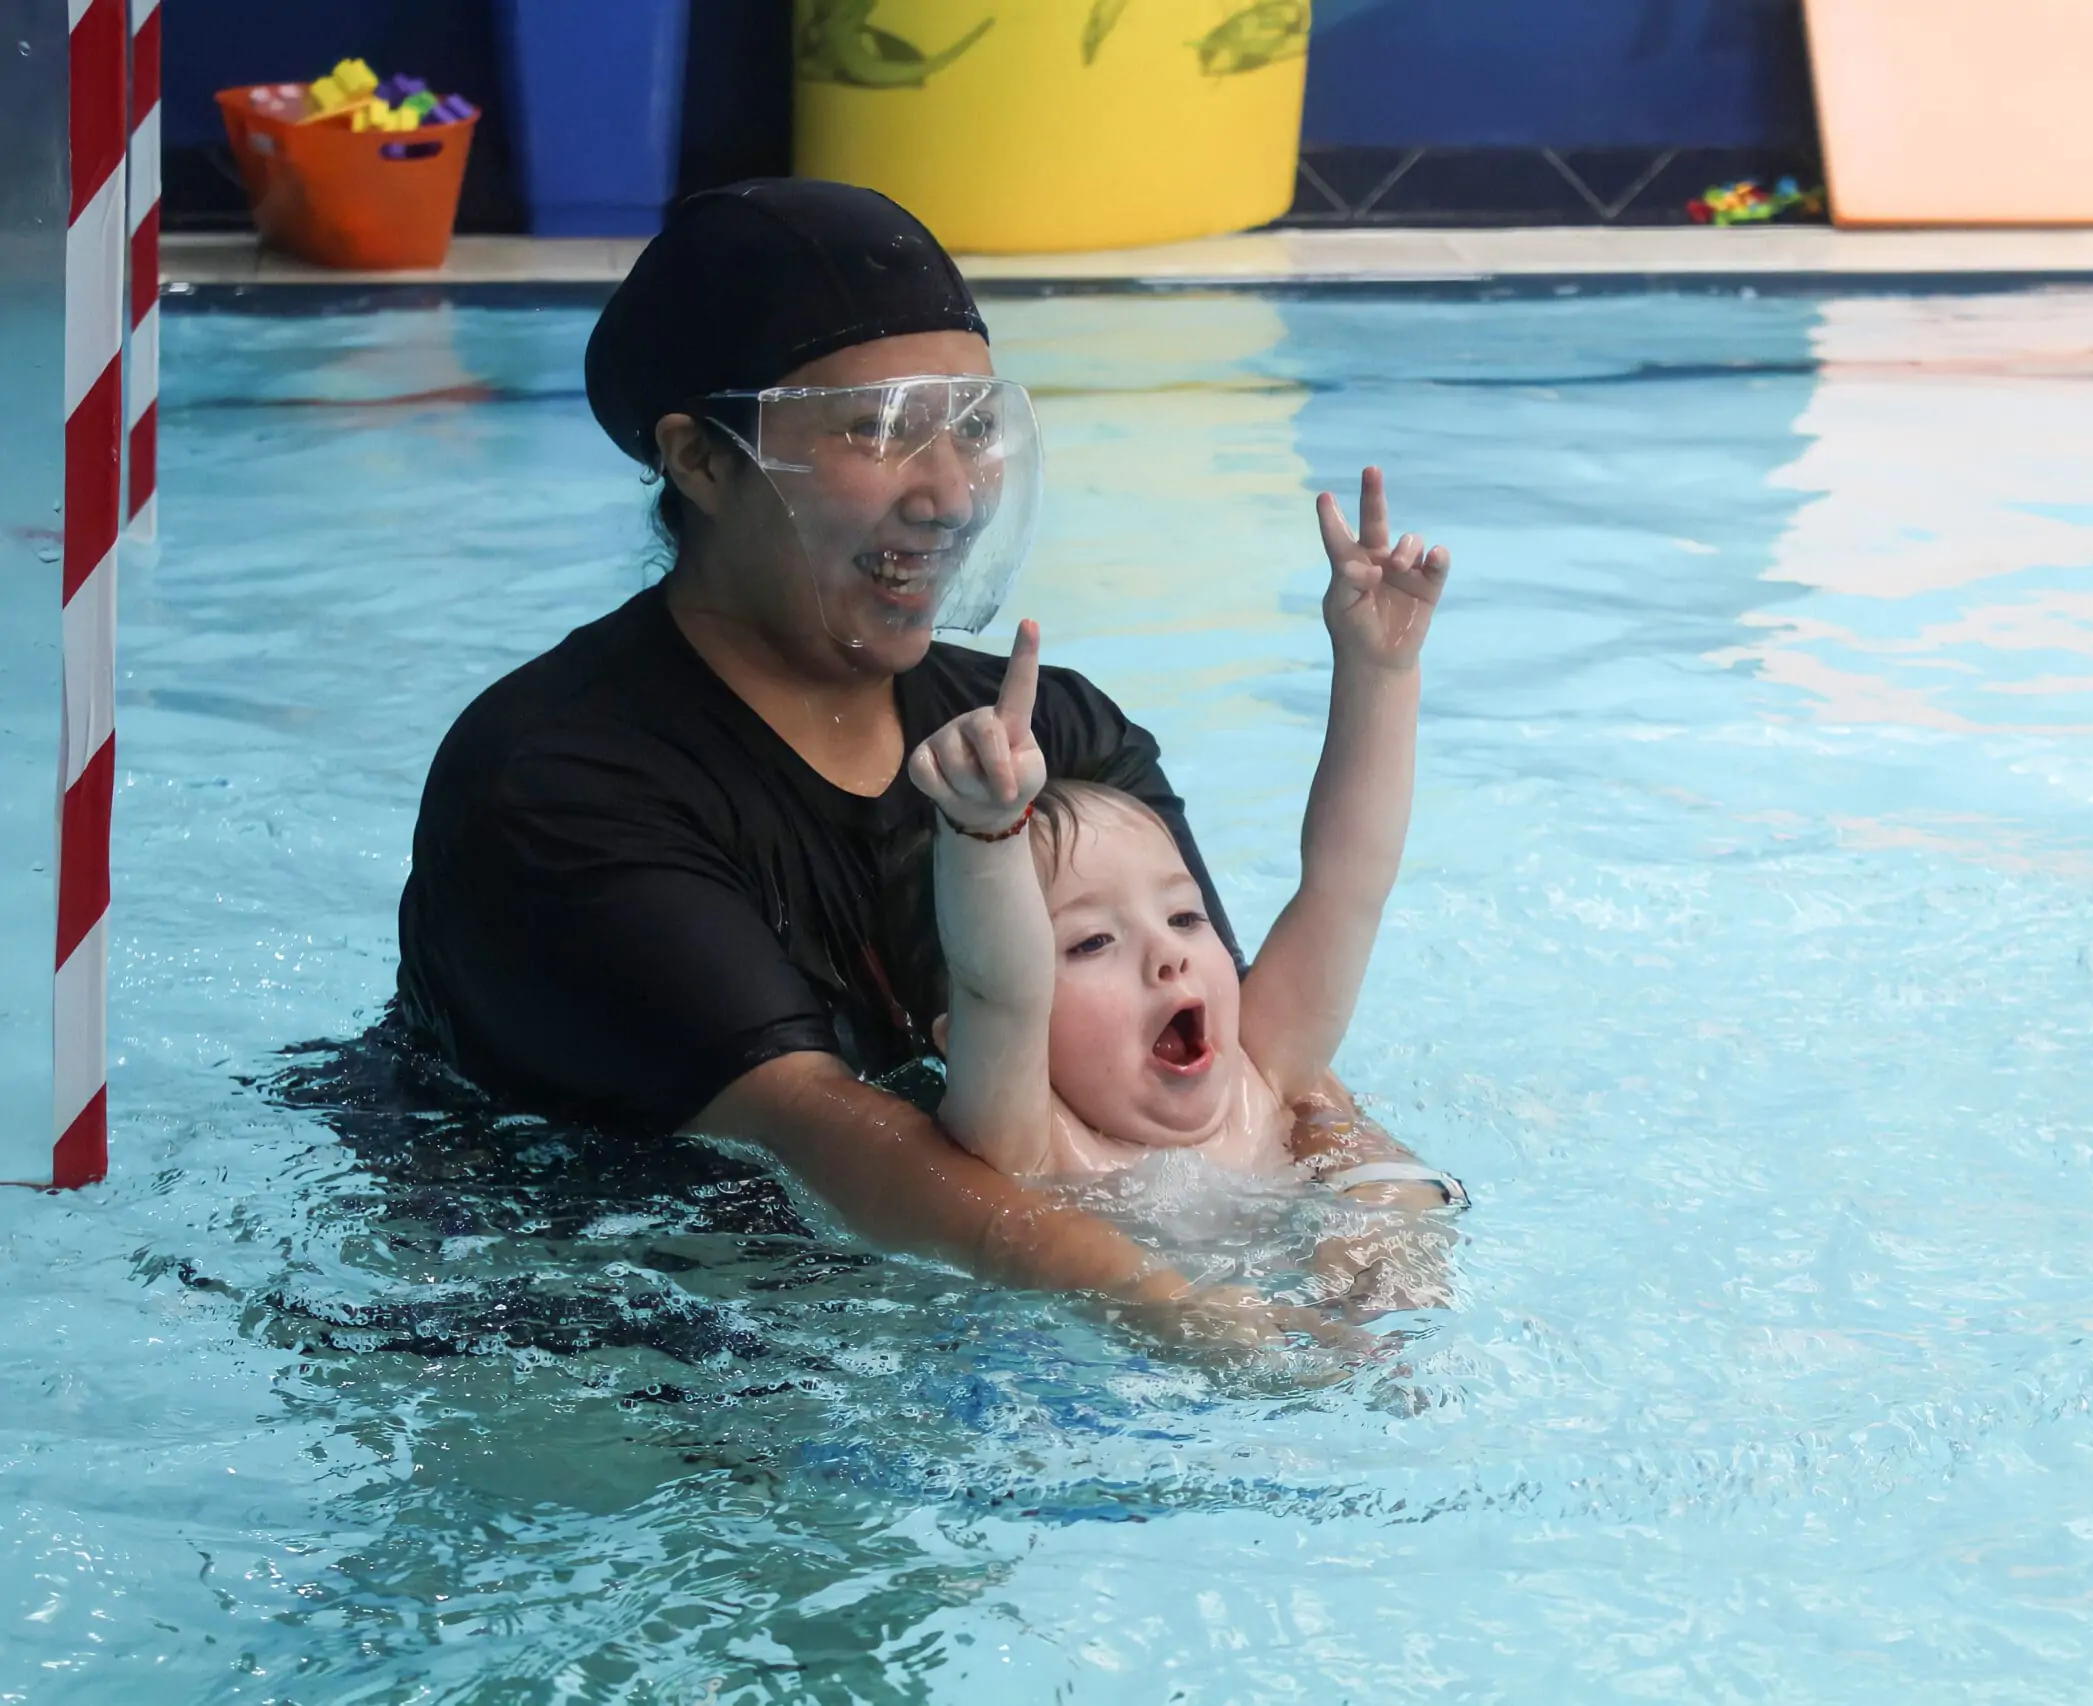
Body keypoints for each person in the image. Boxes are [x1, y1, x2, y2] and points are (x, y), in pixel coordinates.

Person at [393, 179, 1389, 1346]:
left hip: (949, 1291)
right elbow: (818, 1132)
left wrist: (1376, 1208)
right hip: (565, 1313)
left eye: (970, 426)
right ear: (702, 463)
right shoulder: (560, 779)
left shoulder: (1051, 732)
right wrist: (1171, 1308)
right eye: (876, 429)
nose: (953, 492)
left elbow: (1258, 1048)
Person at [908, 469, 1465, 1217]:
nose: (1168, 955)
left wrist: (1380, 670)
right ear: (960, 1041)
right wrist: (984, 831)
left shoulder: (1259, 1074)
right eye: (1092, 942)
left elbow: (1346, 883)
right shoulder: (1036, 1146)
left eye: (1184, 918)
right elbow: (998, 986)